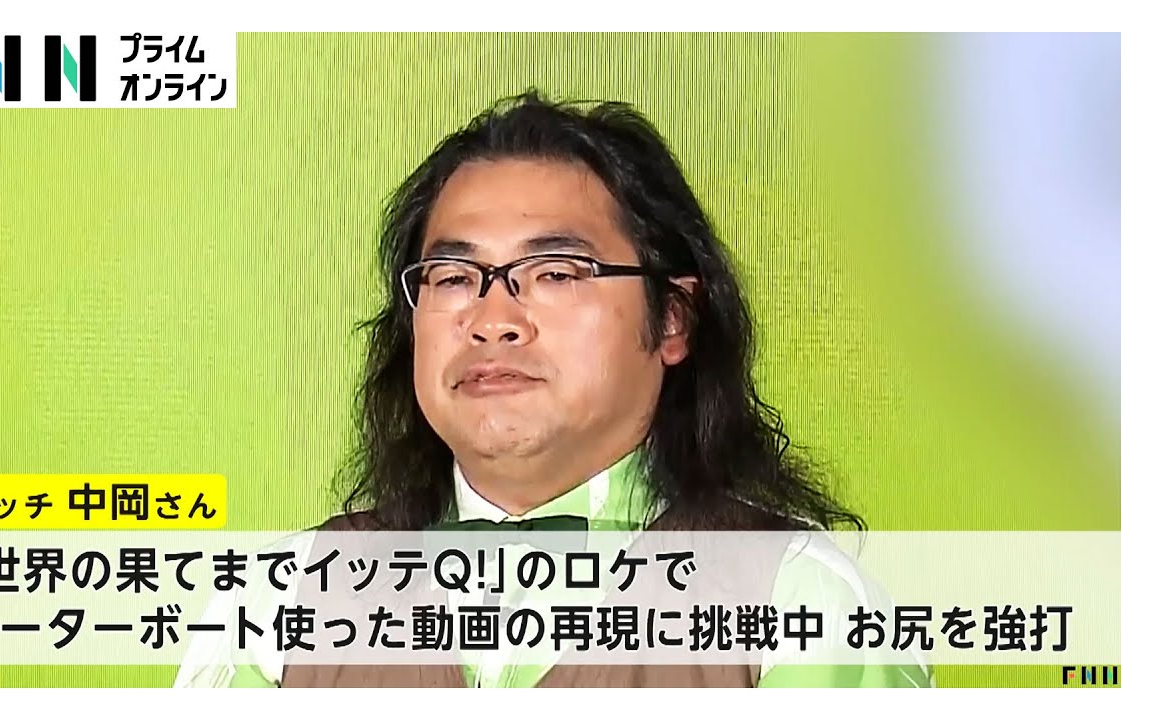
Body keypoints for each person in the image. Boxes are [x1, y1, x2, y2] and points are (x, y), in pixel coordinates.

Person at [174, 89, 933, 688]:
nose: (492, 320)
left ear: (672, 318)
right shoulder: (274, 602)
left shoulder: (800, 603)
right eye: (453, 276)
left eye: (558, 273)